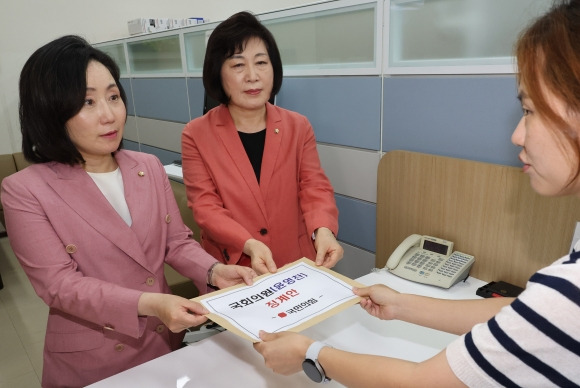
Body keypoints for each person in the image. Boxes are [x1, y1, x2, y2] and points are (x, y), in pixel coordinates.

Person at [254, 1, 580, 386]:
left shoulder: (568, 291)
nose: (517, 135)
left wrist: (310, 353)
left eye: (530, 110)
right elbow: (528, 315)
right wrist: (402, 303)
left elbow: (422, 381)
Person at [0, 35, 257, 388]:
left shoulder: (147, 166)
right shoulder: (25, 190)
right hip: (95, 357)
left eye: (113, 96)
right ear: (51, 110)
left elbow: (176, 243)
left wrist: (214, 271)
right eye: (87, 102)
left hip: (163, 341)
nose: (108, 114)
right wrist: (151, 303)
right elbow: (60, 286)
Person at [181, 11, 343, 275]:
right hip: (237, 268)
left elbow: (314, 186)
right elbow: (205, 207)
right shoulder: (196, 134)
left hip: (296, 263)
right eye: (237, 65)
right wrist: (249, 244)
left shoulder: (298, 126)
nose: (252, 76)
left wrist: (323, 230)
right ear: (218, 72)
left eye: (261, 63)